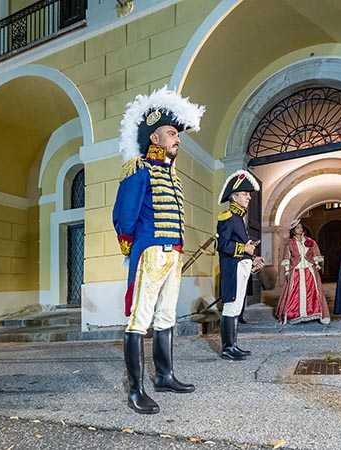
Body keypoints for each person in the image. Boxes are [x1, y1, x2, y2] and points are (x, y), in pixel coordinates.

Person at [113, 86, 205, 414]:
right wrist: (133, 247)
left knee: (166, 316)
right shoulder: (141, 171)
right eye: (171, 133)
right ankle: (136, 389)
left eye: (177, 133)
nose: (176, 138)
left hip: (173, 254)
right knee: (140, 320)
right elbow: (124, 217)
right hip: (150, 252)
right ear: (155, 138)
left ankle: (165, 375)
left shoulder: (172, 175)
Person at [216, 170, 262, 361]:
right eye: (245, 194)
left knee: (236, 308)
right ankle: (227, 348)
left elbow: (241, 247)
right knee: (230, 307)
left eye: (248, 194)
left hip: (240, 267)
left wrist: (252, 258)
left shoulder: (239, 218)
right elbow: (223, 245)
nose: (249, 197)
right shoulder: (228, 217)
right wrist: (245, 248)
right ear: (234, 196)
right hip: (231, 269)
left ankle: (233, 345)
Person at [275, 220, 330, 325]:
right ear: (293, 231)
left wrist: (317, 263)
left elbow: (315, 253)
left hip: (309, 270)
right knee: (294, 292)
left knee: (313, 292)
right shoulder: (290, 243)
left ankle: (314, 312)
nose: (300, 229)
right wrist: (287, 270)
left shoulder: (310, 241)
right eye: (297, 228)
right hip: (296, 270)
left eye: (300, 227)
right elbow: (287, 256)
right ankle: (294, 314)